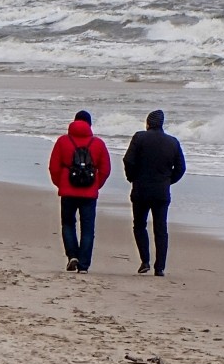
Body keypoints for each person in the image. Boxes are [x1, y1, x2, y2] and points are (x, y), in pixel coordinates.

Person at [122, 109, 187, 276]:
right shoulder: (172, 142)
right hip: (161, 191)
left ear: (148, 123)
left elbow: (128, 160)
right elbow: (181, 168)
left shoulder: (139, 137)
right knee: (160, 229)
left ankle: (145, 261)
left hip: (141, 189)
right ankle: (160, 268)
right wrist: (168, 181)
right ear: (162, 124)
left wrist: (132, 177)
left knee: (139, 225)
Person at [48, 110, 110, 273]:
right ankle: (84, 265)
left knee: (68, 224)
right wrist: (96, 185)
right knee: (88, 229)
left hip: (68, 191)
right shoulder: (98, 143)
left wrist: (61, 184)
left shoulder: (63, 141)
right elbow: (105, 169)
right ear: (90, 124)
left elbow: (53, 167)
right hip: (89, 193)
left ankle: (72, 255)